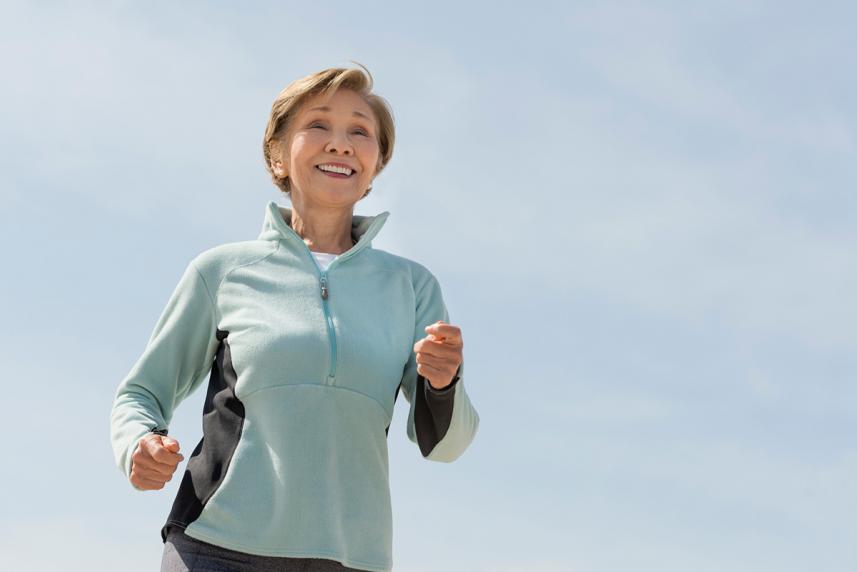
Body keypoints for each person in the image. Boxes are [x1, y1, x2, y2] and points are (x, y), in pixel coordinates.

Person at [109, 64, 480, 572]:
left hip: (352, 559)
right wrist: (139, 446)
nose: (340, 144)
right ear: (278, 153)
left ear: (376, 163)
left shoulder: (412, 288)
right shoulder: (222, 272)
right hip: (215, 549)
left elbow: (446, 446)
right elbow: (141, 394)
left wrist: (442, 383)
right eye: (319, 125)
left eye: (360, 132)